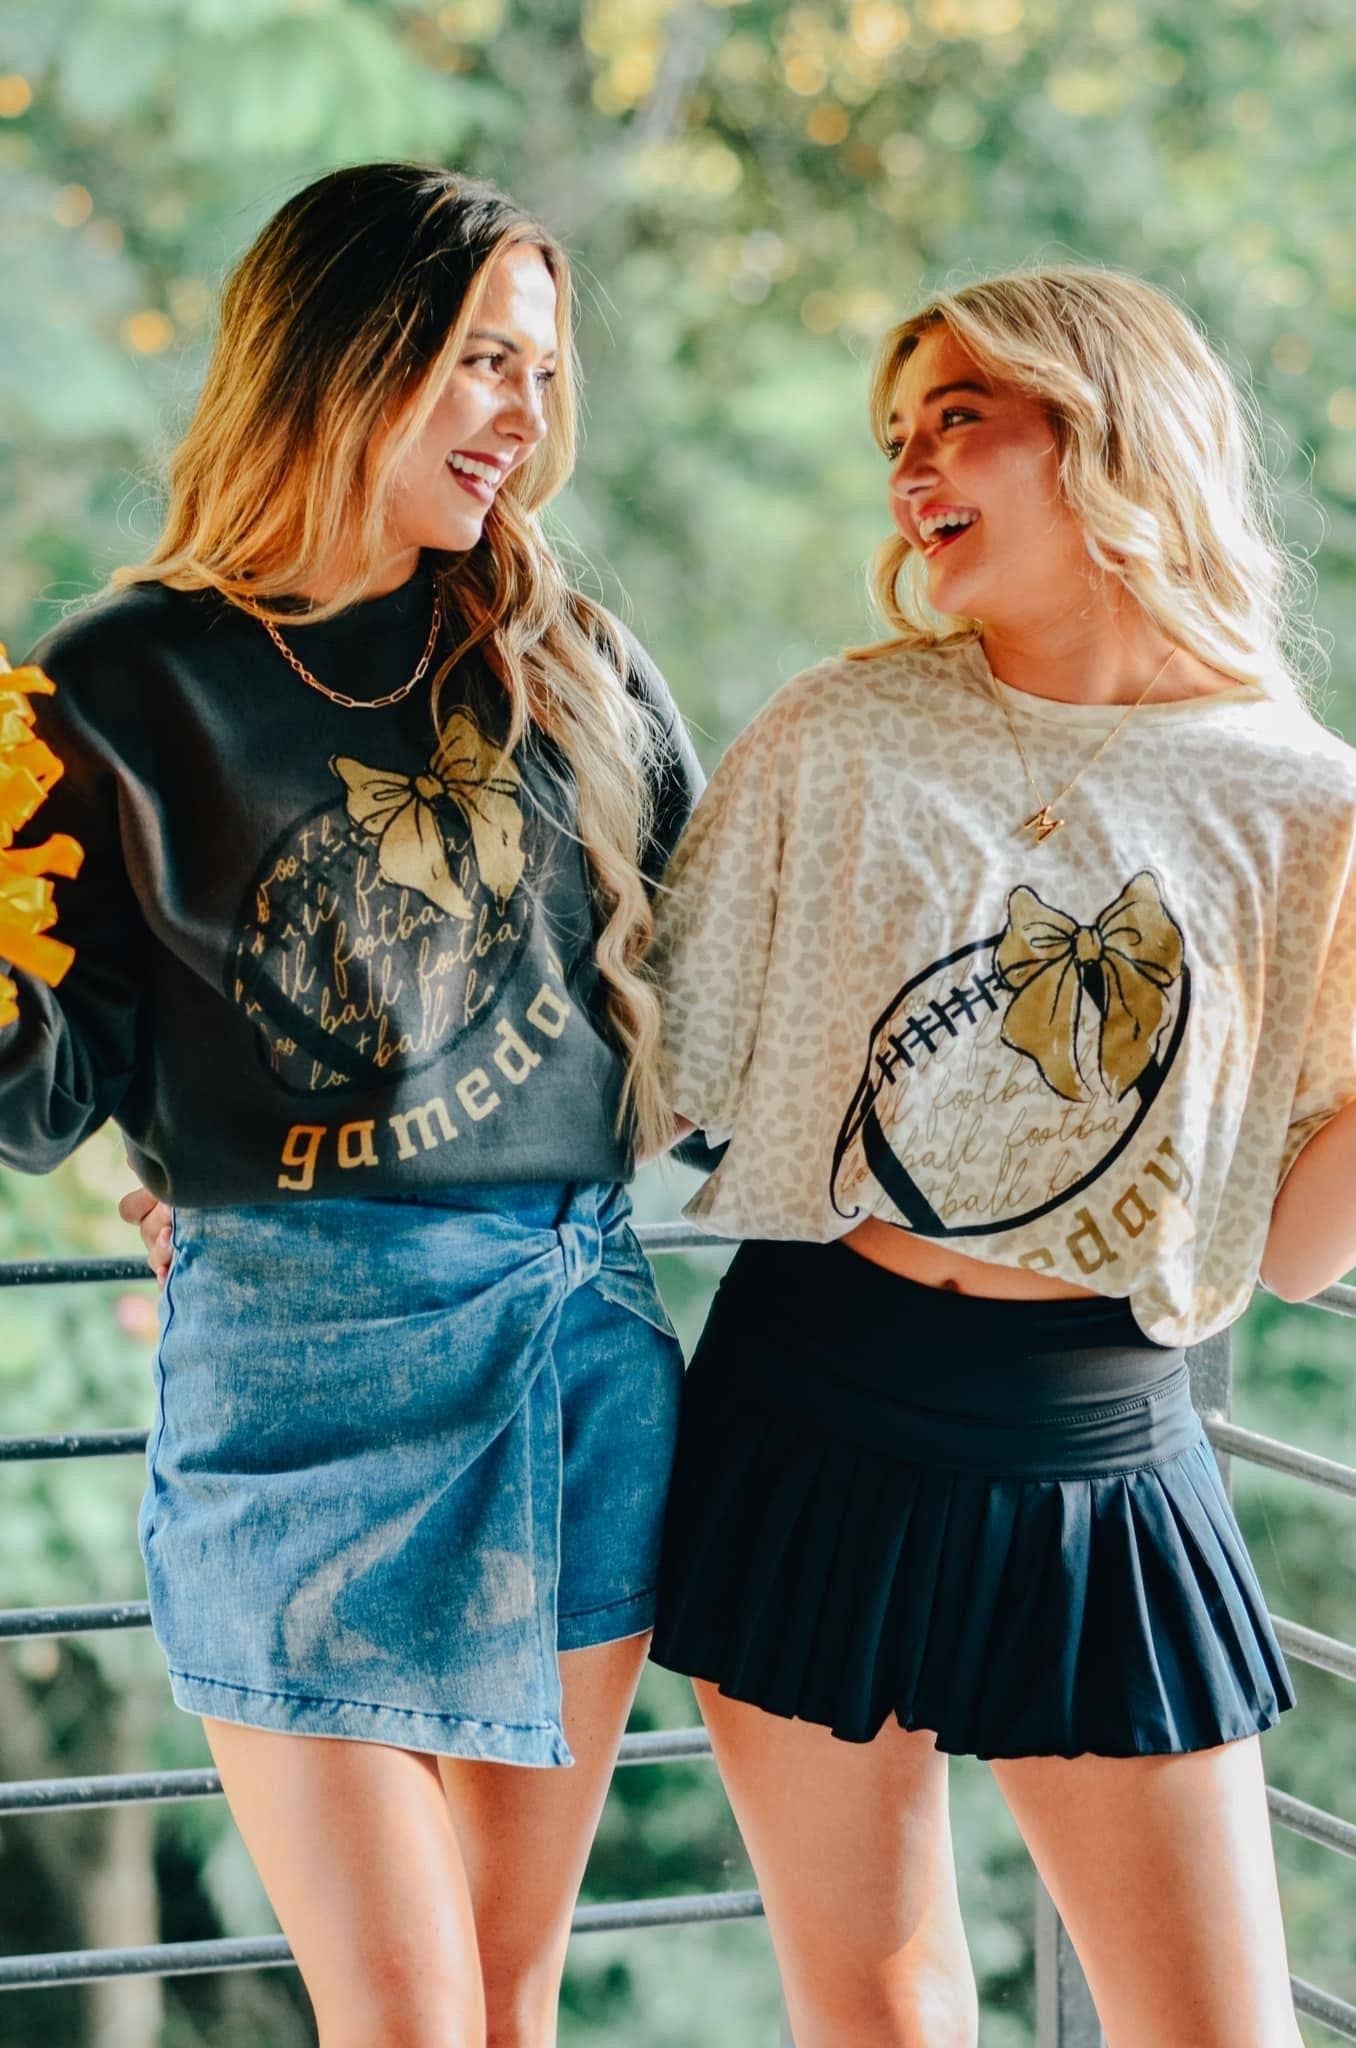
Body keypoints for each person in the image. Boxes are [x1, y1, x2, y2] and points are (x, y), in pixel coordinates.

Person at [0, 162, 704, 2048]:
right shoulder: (118, 681)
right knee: (406, 2020)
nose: (524, 416)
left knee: (506, 1999)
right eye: (483, 361)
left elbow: (714, 1007)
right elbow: (38, 1094)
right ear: (341, 352)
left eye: (540, 374)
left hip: (571, 1350)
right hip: (294, 1376)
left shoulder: (566, 661)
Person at [648, 267, 1354, 2048]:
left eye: (960, 418)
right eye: (898, 438)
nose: (911, 471)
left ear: (1107, 431)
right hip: (808, 1402)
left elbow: (1296, 1252)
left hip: (1095, 1445)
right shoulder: (844, 731)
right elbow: (641, 1057)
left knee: (1220, 2028)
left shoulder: (1309, 809)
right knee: (878, 2005)